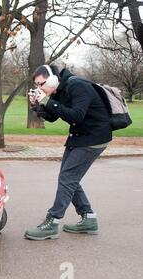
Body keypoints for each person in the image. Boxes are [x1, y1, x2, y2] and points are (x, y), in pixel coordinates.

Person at [24, 64, 112, 240]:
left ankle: (52, 221)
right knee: (69, 178)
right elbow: (54, 116)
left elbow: (76, 115)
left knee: (68, 178)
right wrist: (37, 105)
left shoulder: (77, 85)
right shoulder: (60, 90)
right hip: (80, 136)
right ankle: (88, 218)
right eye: (37, 85)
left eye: (41, 84)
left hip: (94, 137)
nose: (39, 88)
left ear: (52, 79)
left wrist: (47, 101)